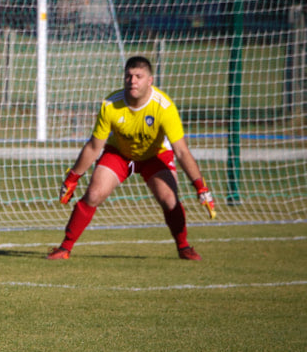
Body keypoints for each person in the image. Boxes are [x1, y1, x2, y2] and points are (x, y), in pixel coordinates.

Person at [48, 55, 216, 261]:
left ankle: (184, 247)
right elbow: (93, 146)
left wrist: (200, 187)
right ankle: (64, 248)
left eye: (138, 76)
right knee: (93, 194)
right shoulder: (111, 104)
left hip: (154, 156)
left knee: (170, 200)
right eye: (129, 76)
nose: (133, 81)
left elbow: (181, 151)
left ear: (149, 80)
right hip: (119, 154)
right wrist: (73, 178)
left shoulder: (164, 107)